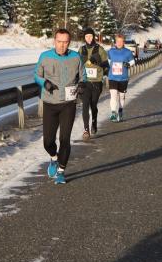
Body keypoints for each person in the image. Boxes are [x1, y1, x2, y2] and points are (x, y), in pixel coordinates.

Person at [34, 28, 83, 185]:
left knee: (65, 139)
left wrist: (82, 84)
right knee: (48, 141)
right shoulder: (45, 57)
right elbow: (36, 75)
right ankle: (54, 158)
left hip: (68, 103)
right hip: (50, 103)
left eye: (66, 42)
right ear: (54, 41)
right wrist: (44, 83)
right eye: (59, 42)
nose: (62, 45)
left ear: (69, 42)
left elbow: (84, 76)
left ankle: (61, 171)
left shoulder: (76, 57)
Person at [77, 27, 109, 139]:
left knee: (93, 105)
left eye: (90, 36)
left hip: (96, 82)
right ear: (84, 38)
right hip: (84, 82)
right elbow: (77, 65)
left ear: (93, 37)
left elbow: (106, 66)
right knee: (85, 104)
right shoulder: (81, 50)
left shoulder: (100, 49)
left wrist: (98, 62)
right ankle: (86, 130)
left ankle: (94, 122)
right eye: (86, 36)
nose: (89, 38)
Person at [106, 33, 136, 122]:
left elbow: (133, 61)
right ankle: (113, 113)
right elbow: (108, 62)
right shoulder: (110, 51)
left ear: (123, 42)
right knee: (113, 95)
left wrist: (128, 64)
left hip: (123, 78)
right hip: (112, 77)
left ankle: (120, 110)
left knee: (122, 97)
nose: (119, 43)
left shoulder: (128, 52)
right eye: (117, 41)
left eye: (121, 41)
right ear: (115, 42)